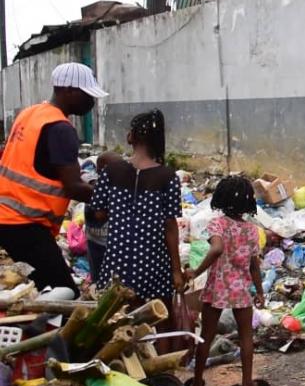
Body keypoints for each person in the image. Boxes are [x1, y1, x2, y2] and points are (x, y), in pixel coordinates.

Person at [0, 62, 107, 295]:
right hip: (26, 223)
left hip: (8, 218)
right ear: (68, 90)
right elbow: (73, 188)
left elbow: (44, 166)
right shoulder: (60, 128)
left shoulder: (30, 114)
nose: (92, 101)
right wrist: (116, 195)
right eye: (87, 95)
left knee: (45, 286)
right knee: (65, 292)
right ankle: (40, 330)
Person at [91, 109, 184, 350]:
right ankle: (163, 368)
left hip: (118, 260)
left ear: (131, 137)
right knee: (161, 317)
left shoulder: (111, 172)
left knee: (117, 318)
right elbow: (170, 226)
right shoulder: (167, 177)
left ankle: (123, 363)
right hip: (154, 261)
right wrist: (176, 270)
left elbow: (99, 213)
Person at [184, 176, 271, 386]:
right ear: (248, 202)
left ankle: (196, 385)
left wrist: (196, 271)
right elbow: (254, 266)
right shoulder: (252, 230)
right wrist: (259, 292)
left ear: (220, 198)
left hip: (218, 286)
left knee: (206, 335)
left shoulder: (218, 224)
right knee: (246, 337)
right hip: (241, 287)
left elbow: (216, 249)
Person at [84, 151, 122, 283]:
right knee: (99, 278)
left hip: (110, 243)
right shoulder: (94, 186)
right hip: (97, 243)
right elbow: (99, 215)